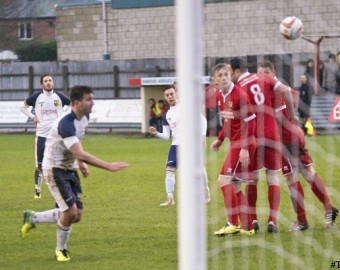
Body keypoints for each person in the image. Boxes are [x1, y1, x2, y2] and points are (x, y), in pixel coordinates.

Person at [20, 85, 129, 262]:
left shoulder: (84, 117)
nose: (92, 103)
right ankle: (60, 250)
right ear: (77, 103)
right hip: (54, 169)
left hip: (69, 167)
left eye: (92, 99)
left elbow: (76, 146)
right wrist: (107, 166)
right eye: (89, 99)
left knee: (76, 215)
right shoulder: (66, 123)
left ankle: (33, 217)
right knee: (70, 212)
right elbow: (79, 152)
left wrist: (79, 163)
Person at [258, 61, 339, 231]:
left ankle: (302, 221)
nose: (264, 77)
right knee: (308, 172)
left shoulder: (275, 91)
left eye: (267, 72)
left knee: (291, 178)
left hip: (285, 139)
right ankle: (329, 208)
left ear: (273, 72)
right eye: (261, 74)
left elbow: (281, 111)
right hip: (294, 136)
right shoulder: (276, 90)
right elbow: (293, 96)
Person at [230, 58, 297, 234]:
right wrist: (292, 115)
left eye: (230, 72)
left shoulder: (238, 89)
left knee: (252, 179)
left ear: (237, 72)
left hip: (252, 138)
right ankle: (272, 221)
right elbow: (286, 91)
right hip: (271, 135)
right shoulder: (264, 78)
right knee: (273, 178)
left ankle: (252, 220)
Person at [210, 63, 257, 236]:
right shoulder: (220, 96)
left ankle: (232, 223)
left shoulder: (239, 95)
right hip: (235, 144)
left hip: (243, 145)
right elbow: (229, 122)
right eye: (219, 75)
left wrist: (244, 148)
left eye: (226, 75)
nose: (223, 78)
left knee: (223, 180)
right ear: (215, 79)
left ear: (230, 76)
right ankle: (248, 226)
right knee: (236, 185)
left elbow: (251, 121)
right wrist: (220, 140)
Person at [149, 85, 210, 206]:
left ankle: (205, 191)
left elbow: (202, 120)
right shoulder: (166, 115)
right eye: (167, 95)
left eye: (172, 93)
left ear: (176, 93)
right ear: (164, 97)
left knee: (198, 168)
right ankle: (170, 198)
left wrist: (202, 135)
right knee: (169, 170)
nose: (170, 96)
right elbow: (167, 136)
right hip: (176, 145)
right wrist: (156, 133)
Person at [20, 74, 71, 199]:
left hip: (56, 136)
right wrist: (33, 117)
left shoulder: (59, 97)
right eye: (46, 81)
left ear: (53, 83)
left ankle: (62, 189)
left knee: (60, 164)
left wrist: (64, 114)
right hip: (42, 136)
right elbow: (22, 107)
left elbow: (72, 105)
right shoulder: (36, 97)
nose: (48, 82)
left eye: (50, 80)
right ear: (42, 84)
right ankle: (37, 190)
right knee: (40, 165)